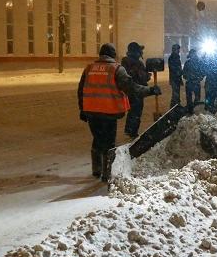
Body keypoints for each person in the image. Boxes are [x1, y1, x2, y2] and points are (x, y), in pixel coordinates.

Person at [78, 43, 161, 181]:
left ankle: (96, 169)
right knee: (109, 143)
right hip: (108, 111)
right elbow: (131, 88)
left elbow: (81, 90)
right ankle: (107, 173)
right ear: (113, 55)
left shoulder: (89, 68)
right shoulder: (116, 69)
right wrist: (150, 90)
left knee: (97, 139)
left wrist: (82, 109)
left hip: (91, 112)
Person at [121, 42, 151, 138]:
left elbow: (143, 75)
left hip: (139, 90)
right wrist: (142, 75)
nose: (141, 52)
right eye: (139, 50)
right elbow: (131, 75)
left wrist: (147, 75)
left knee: (135, 111)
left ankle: (130, 130)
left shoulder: (138, 62)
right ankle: (132, 131)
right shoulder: (128, 62)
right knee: (136, 111)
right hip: (133, 90)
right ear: (135, 51)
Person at [182, 49, 204, 113]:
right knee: (196, 97)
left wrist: (188, 77)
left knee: (190, 97)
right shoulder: (198, 62)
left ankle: (191, 109)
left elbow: (184, 73)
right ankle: (193, 108)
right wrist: (199, 78)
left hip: (190, 82)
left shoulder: (188, 63)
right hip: (194, 82)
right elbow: (202, 72)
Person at [168, 43, 183, 108]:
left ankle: (176, 105)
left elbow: (178, 68)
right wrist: (179, 72)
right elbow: (173, 68)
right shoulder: (172, 58)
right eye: (178, 49)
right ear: (174, 50)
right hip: (174, 78)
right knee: (175, 93)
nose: (179, 51)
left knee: (176, 93)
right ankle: (175, 106)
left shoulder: (176, 57)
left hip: (177, 78)